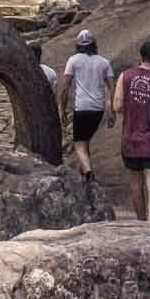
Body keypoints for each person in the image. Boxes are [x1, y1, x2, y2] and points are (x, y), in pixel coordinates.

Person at [113, 39, 150, 224]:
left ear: (140, 57)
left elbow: (117, 105)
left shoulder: (125, 76)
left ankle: (141, 221)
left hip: (131, 138)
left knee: (136, 183)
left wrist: (132, 109)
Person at [58, 28, 114, 189]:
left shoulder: (74, 60)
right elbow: (111, 87)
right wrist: (111, 109)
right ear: (93, 44)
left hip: (81, 107)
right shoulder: (104, 62)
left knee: (79, 144)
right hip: (98, 109)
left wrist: (61, 108)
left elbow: (65, 87)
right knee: (85, 141)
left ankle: (89, 173)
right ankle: (83, 173)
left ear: (78, 45)